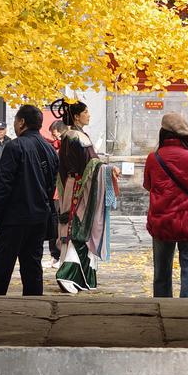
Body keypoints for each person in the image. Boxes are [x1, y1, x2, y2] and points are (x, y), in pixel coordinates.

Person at [0, 104, 59, 296]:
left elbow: (4, 185)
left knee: (2, 267)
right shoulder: (49, 149)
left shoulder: (14, 146)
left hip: (15, 218)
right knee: (33, 267)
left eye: (16, 121)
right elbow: (51, 185)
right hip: (39, 217)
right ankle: (34, 307)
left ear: (22, 122)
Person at [52, 98, 120, 294]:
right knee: (79, 230)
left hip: (73, 185)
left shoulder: (70, 136)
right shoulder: (78, 137)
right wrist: (108, 169)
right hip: (80, 189)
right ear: (76, 116)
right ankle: (67, 274)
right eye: (86, 112)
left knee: (75, 230)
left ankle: (81, 277)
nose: (89, 115)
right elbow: (91, 164)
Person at [144, 112, 188, 298]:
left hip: (162, 220)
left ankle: (162, 305)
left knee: (161, 271)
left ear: (162, 134)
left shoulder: (154, 157)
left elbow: (147, 185)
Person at [46, 119, 65, 268]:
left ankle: (61, 255)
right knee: (54, 223)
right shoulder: (55, 148)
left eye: (56, 135)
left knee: (61, 223)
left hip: (64, 191)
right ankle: (54, 255)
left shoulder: (68, 147)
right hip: (54, 191)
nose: (55, 139)